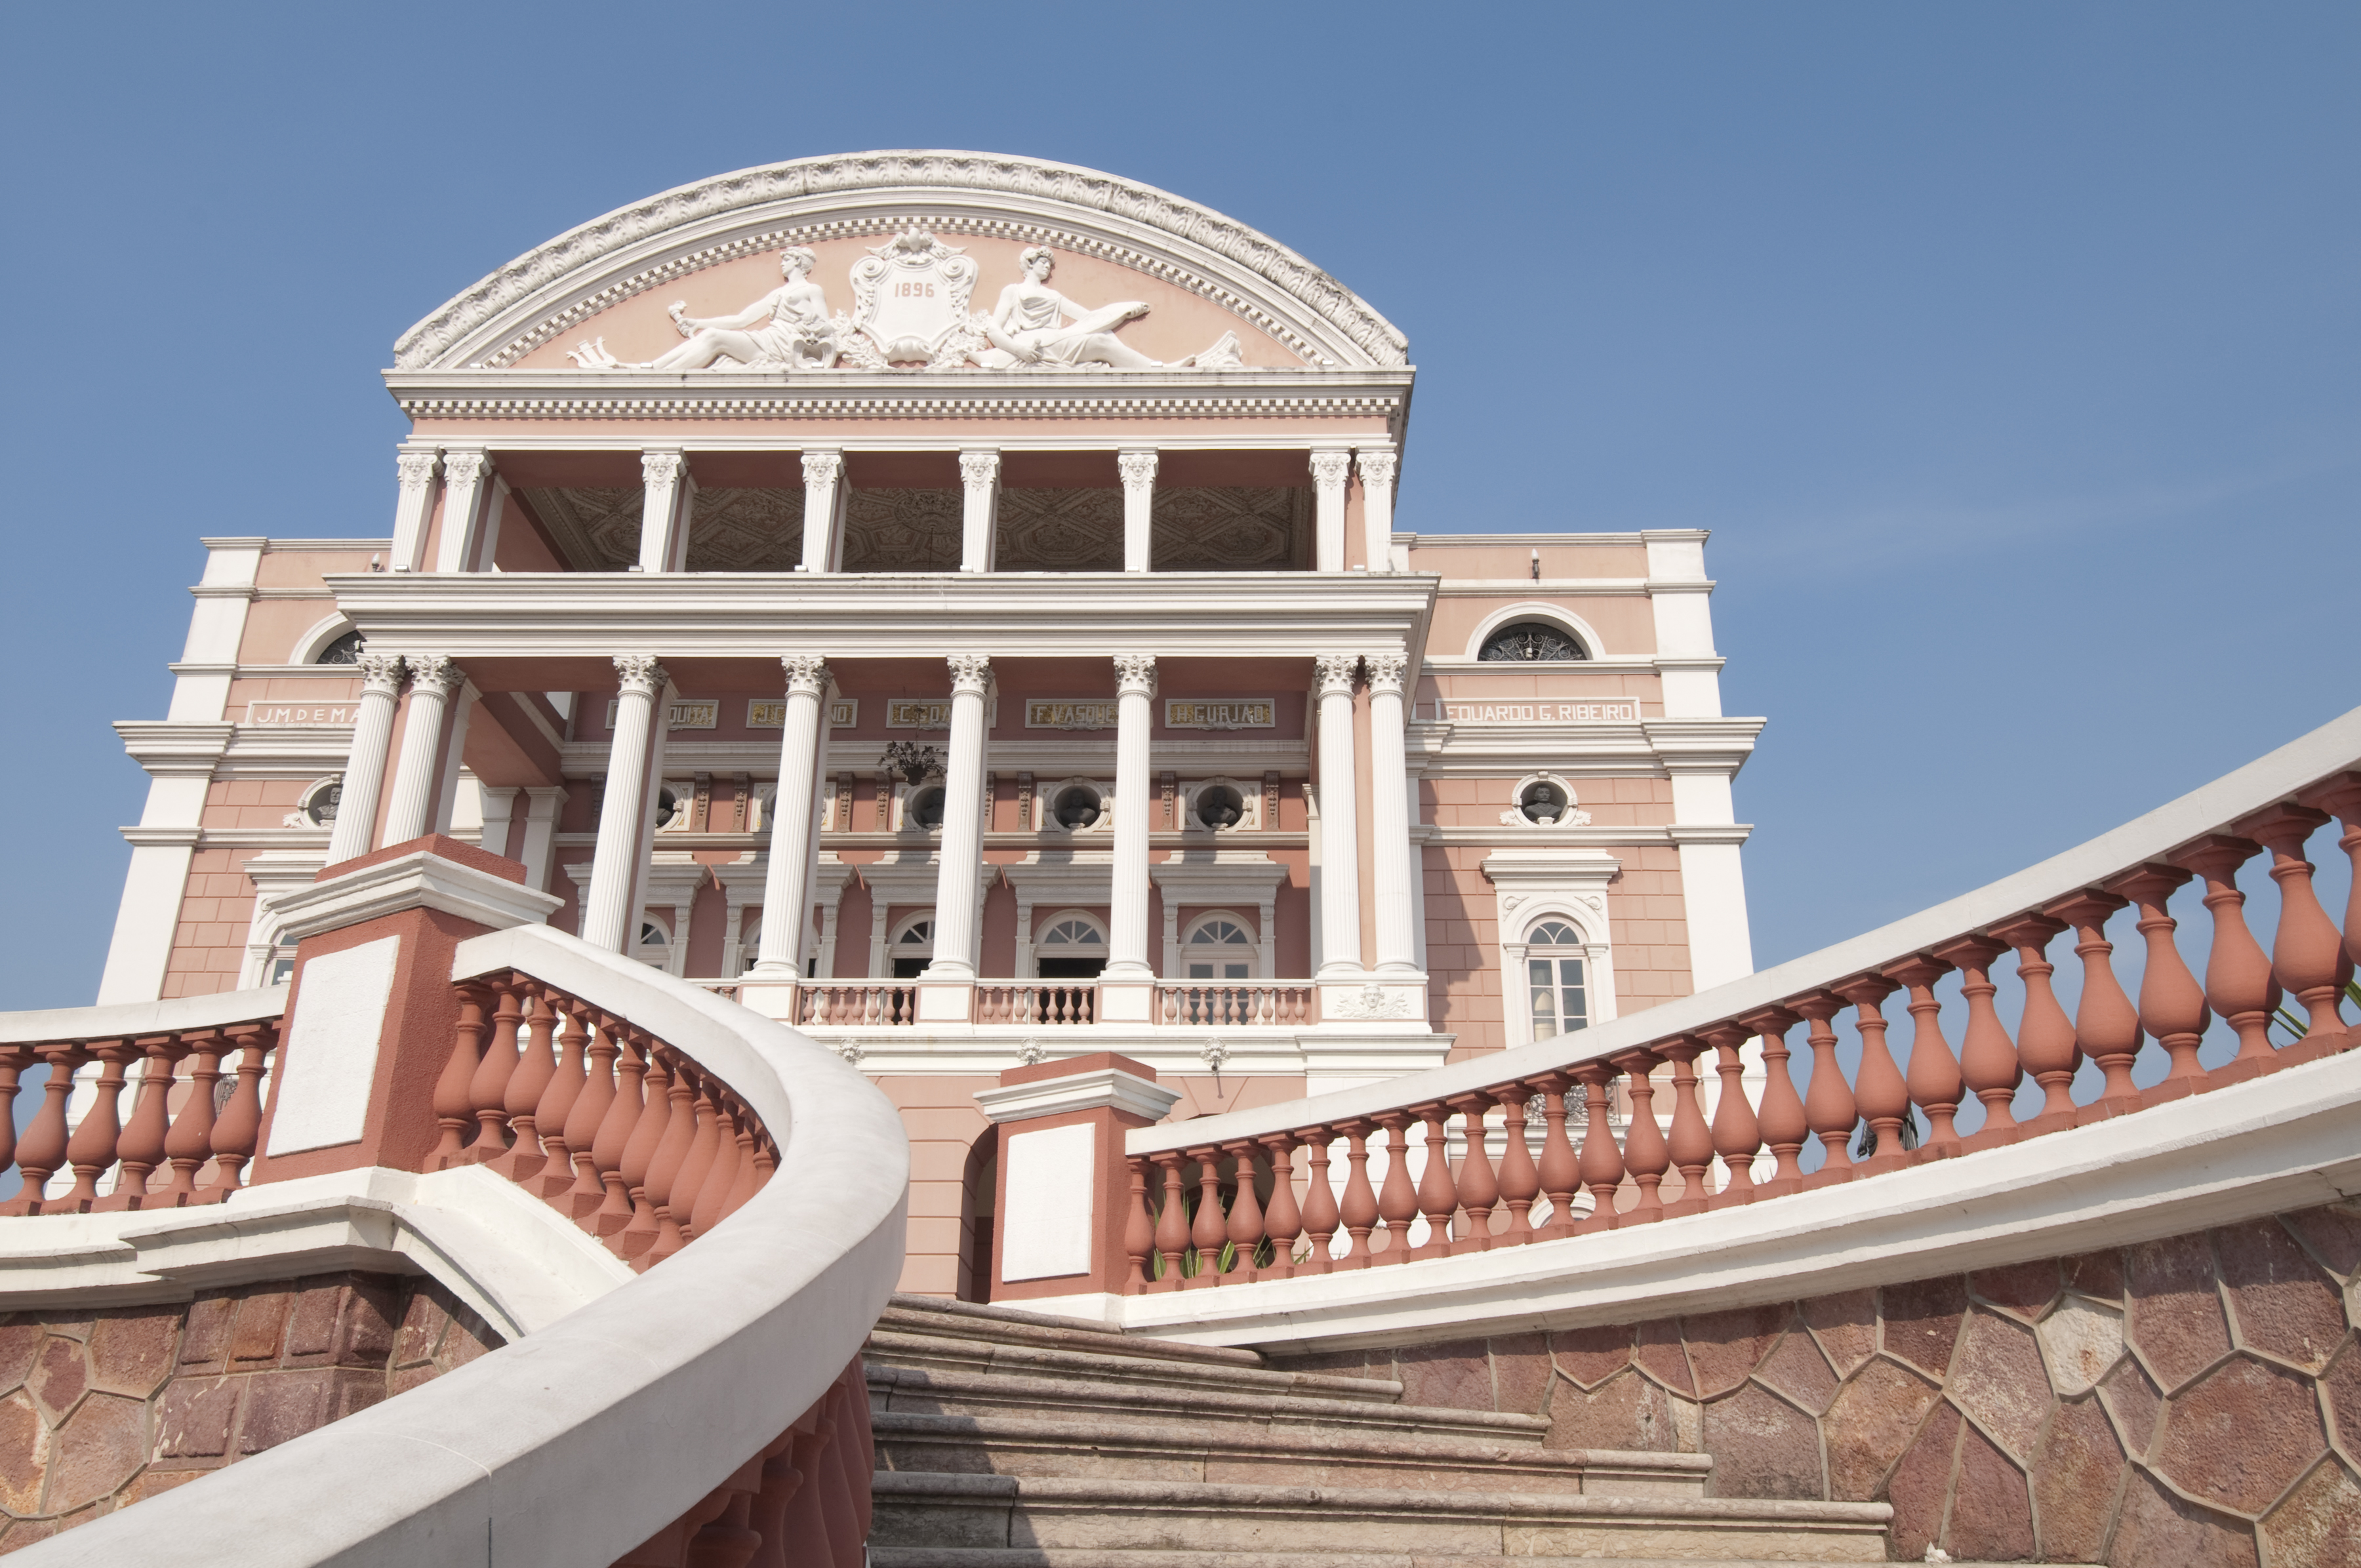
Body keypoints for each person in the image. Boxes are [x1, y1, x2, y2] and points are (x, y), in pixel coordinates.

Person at [573, 248, 837, 370]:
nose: (783, 263)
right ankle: (652, 368)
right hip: (767, 339)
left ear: (801, 264)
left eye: (788, 259)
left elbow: (827, 327)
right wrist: (698, 322)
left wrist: (811, 328)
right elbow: (741, 319)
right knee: (709, 335)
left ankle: (659, 374)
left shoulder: (811, 290)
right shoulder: (778, 293)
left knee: (714, 338)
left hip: (784, 346)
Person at [975, 247, 1160, 369]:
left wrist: (1124, 313)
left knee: (1102, 339)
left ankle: (1155, 368)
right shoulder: (1013, 291)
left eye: (1049, 264)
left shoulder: (1054, 296)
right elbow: (993, 331)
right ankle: (1155, 369)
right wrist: (1018, 351)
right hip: (1031, 345)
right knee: (1099, 342)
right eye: (1043, 262)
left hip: (1055, 341)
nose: (1048, 266)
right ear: (1030, 264)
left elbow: (1091, 319)